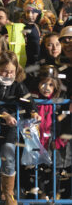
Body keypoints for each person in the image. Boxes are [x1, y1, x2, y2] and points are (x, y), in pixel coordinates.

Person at [0, 51, 41, 205]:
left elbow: (27, 98)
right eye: (4, 71)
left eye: (11, 71)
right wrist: (4, 114)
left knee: (9, 154)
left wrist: (33, 111)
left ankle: (9, 193)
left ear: (17, 70)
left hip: (10, 128)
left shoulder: (17, 84)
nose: (8, 75)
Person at [31, 65, 70, 200]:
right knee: (39, 173)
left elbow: (68, 125)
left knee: (55, 173)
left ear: (56, 86)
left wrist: (60, 141)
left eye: (50, 85)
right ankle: (41, 197)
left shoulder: (61, 103)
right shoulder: (33, 100)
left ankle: (55, 196)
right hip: (38, 144)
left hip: (55, 145)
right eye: (43, 83)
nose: (46, 88)